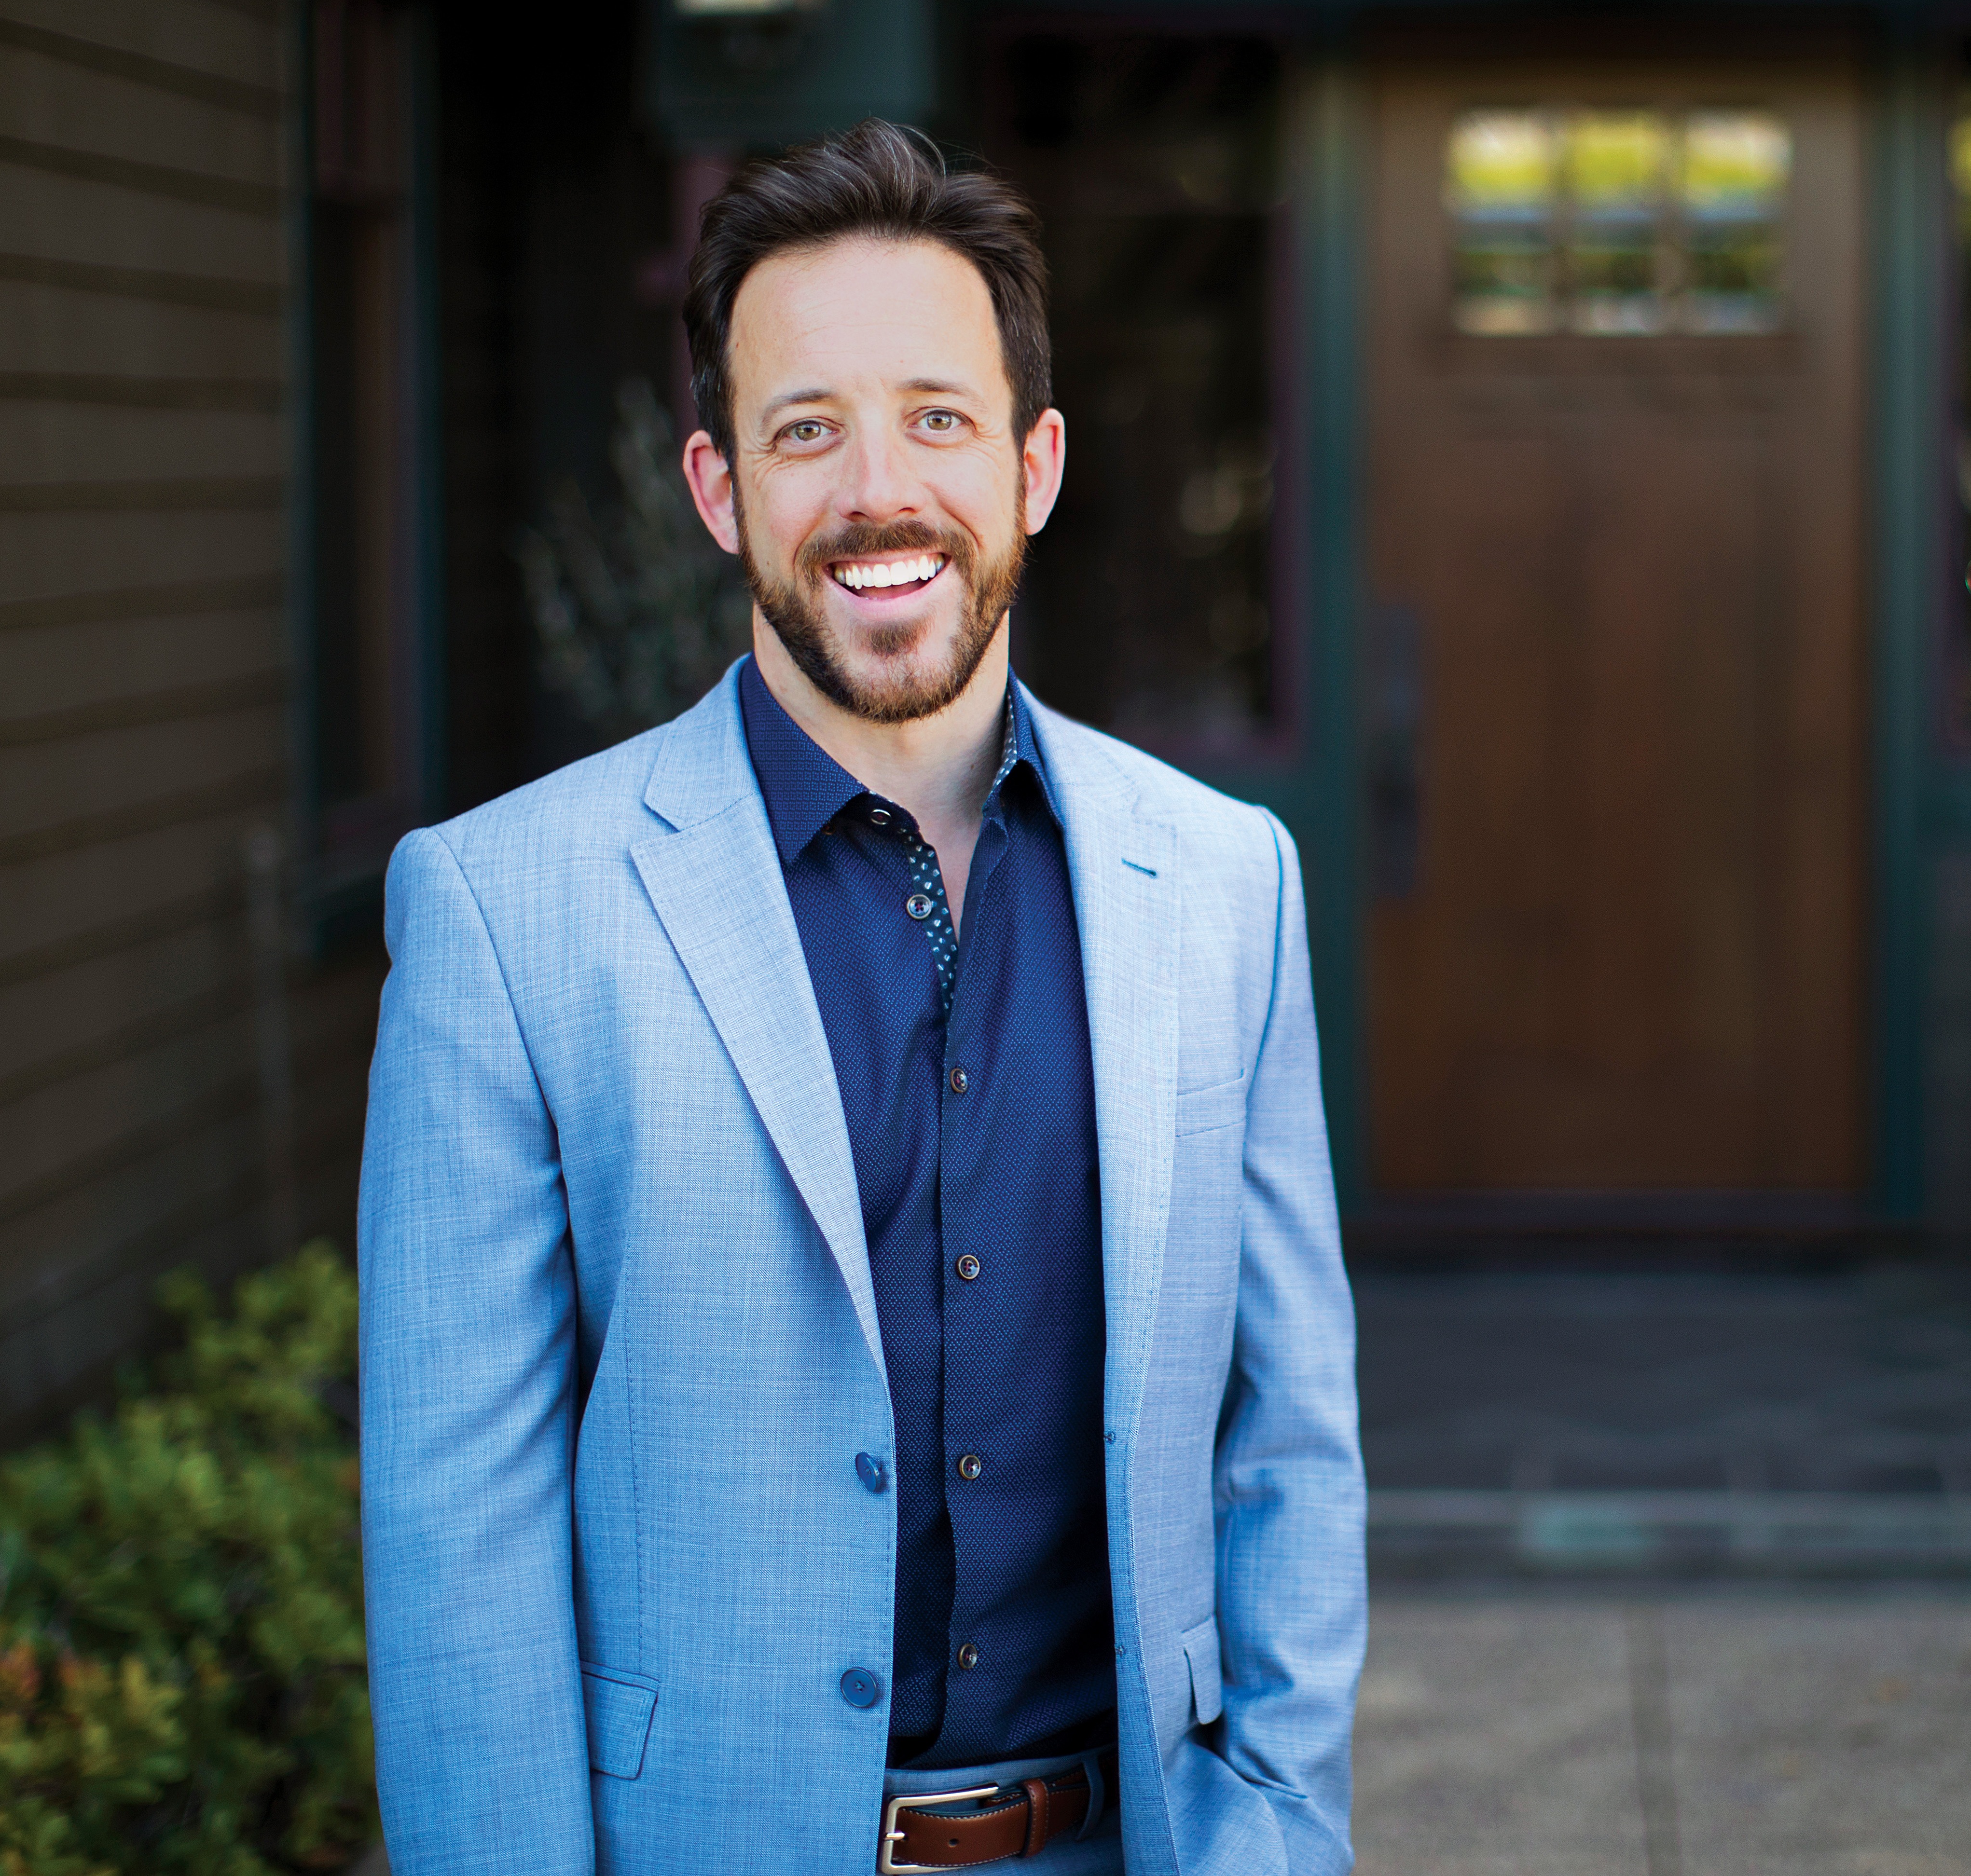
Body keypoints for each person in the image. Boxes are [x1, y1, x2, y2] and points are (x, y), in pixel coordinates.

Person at [358, 119, 1364, 1876]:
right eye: (806, 429)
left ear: (1036, 465)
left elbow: (1288, 1435)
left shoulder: (1227, 882)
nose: (878, 492)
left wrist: (1280, 1827)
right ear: (720, 487)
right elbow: (461, 1539)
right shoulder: (503, 911)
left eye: (939, 418)